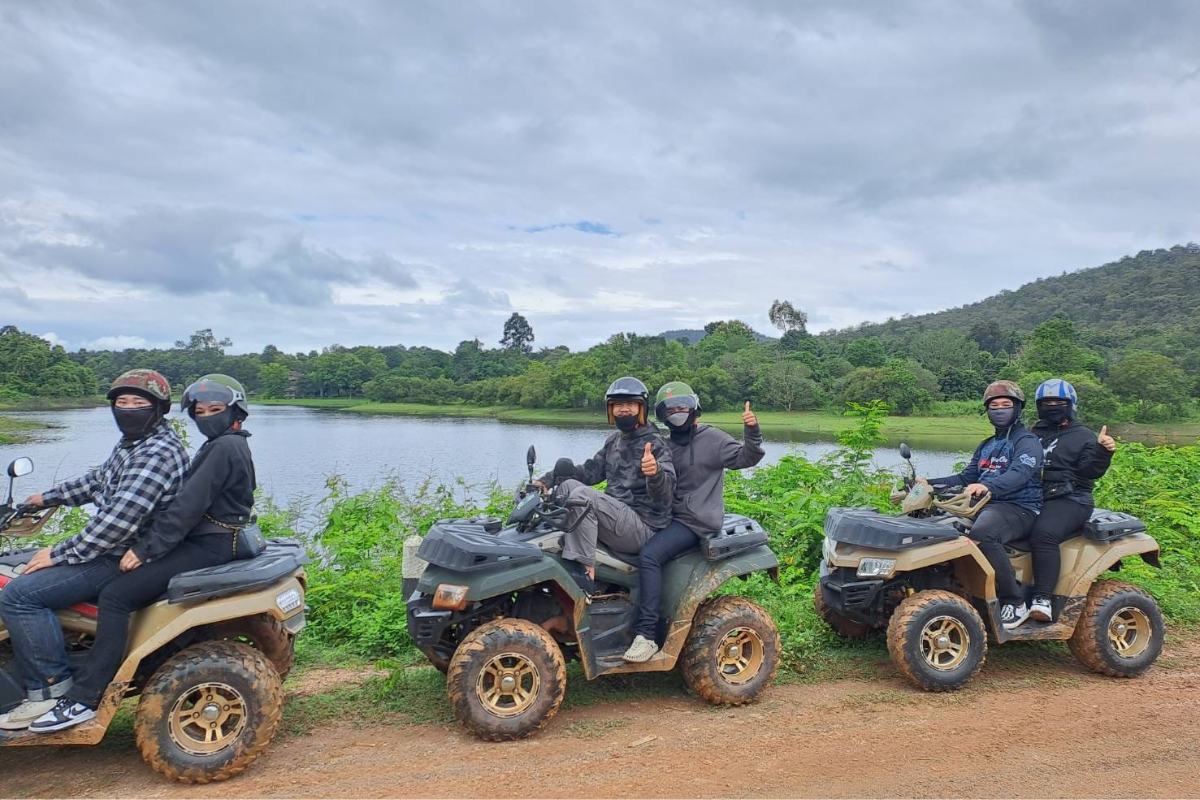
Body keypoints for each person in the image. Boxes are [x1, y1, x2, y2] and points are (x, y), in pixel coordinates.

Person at [29, 374, 258, 732]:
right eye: (201, 411)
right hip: (211, 539)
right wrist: (47, 497)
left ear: (235, 410)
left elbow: (187, 507)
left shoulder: (223, 447)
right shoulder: (228, 443)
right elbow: (101, 481)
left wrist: (145, 549)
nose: (208, 416)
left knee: (117, 594)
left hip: (209, 543)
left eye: (216, 409)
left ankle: (85, 698)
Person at [0, 369, 188, 731]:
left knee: (20, 595)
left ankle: (50, 691)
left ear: (159, 408)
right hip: (110, 548)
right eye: (122, 403)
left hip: (121, 555)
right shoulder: (133, 444)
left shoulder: (157, 453)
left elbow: (116, 524)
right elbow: (97, 480)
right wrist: (44, 497)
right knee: (15, 565)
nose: (128, 409)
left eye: (139, 403)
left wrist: (57, 553)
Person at [623, 383, 764, 663]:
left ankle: (647, 635)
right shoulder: (665, 444)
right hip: (668, 516)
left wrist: (752, 430)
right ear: (661, 415)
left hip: (695, 520)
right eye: (670, 409)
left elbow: (748, 457)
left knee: (650, 555)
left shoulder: (712, 439)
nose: (677, 414)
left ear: (694, 409)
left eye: (682, 408)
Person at [535, 377, 675, 596]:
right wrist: (545, 481)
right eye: (618, 405)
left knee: (582, 495)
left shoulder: (655, 443)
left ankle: (583, 572)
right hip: (617, 518)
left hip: (643, 526)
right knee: (569, 485)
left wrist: (654, 473)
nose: (624, 410)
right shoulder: (615, 441)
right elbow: (589, 471)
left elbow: (665, 496)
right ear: (611, 410)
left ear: (642, 408)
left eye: (630, 404)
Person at [926, 380, 1043, 628]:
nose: (999, 410)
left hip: (1019, 506)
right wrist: (927, 483)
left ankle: (1015, 601)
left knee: (984, 533)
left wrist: (988, 486)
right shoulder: (987, 445)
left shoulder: (1027, 442)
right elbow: (965, 477)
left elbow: (1020, 474)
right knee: (936, 527)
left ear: (1018, 409)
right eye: (994, 406)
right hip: (984, 506)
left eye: (1006, 405)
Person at [1009, 378, 1116, 628]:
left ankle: (1042, 598)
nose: (1053, 406)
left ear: (1070, 405)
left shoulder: (1083, 436)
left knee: (1044, 533)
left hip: (1071, 499)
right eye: (1047, 403)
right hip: (1034, 496)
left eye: (1059, 402)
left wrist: (1103, 451)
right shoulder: (1032, 433)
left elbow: (1090, 471)